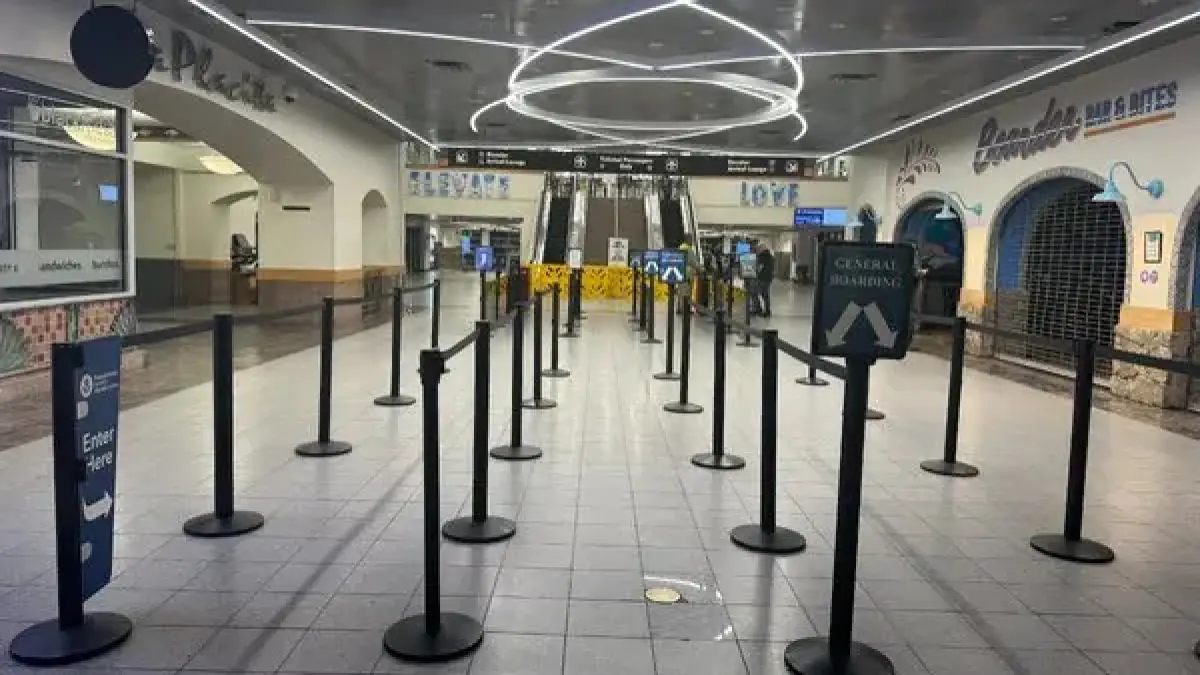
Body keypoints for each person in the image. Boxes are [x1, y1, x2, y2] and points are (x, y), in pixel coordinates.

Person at [754, 243, 775, 317]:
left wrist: (754, 272)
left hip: (762, 278)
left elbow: (759, 268)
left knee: (755, 293)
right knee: (765, 295)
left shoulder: (762, 256)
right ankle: (767, 311)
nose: (757, 251)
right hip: (768, 278)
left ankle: (758, 309)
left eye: (757, 250)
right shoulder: (771, 257)